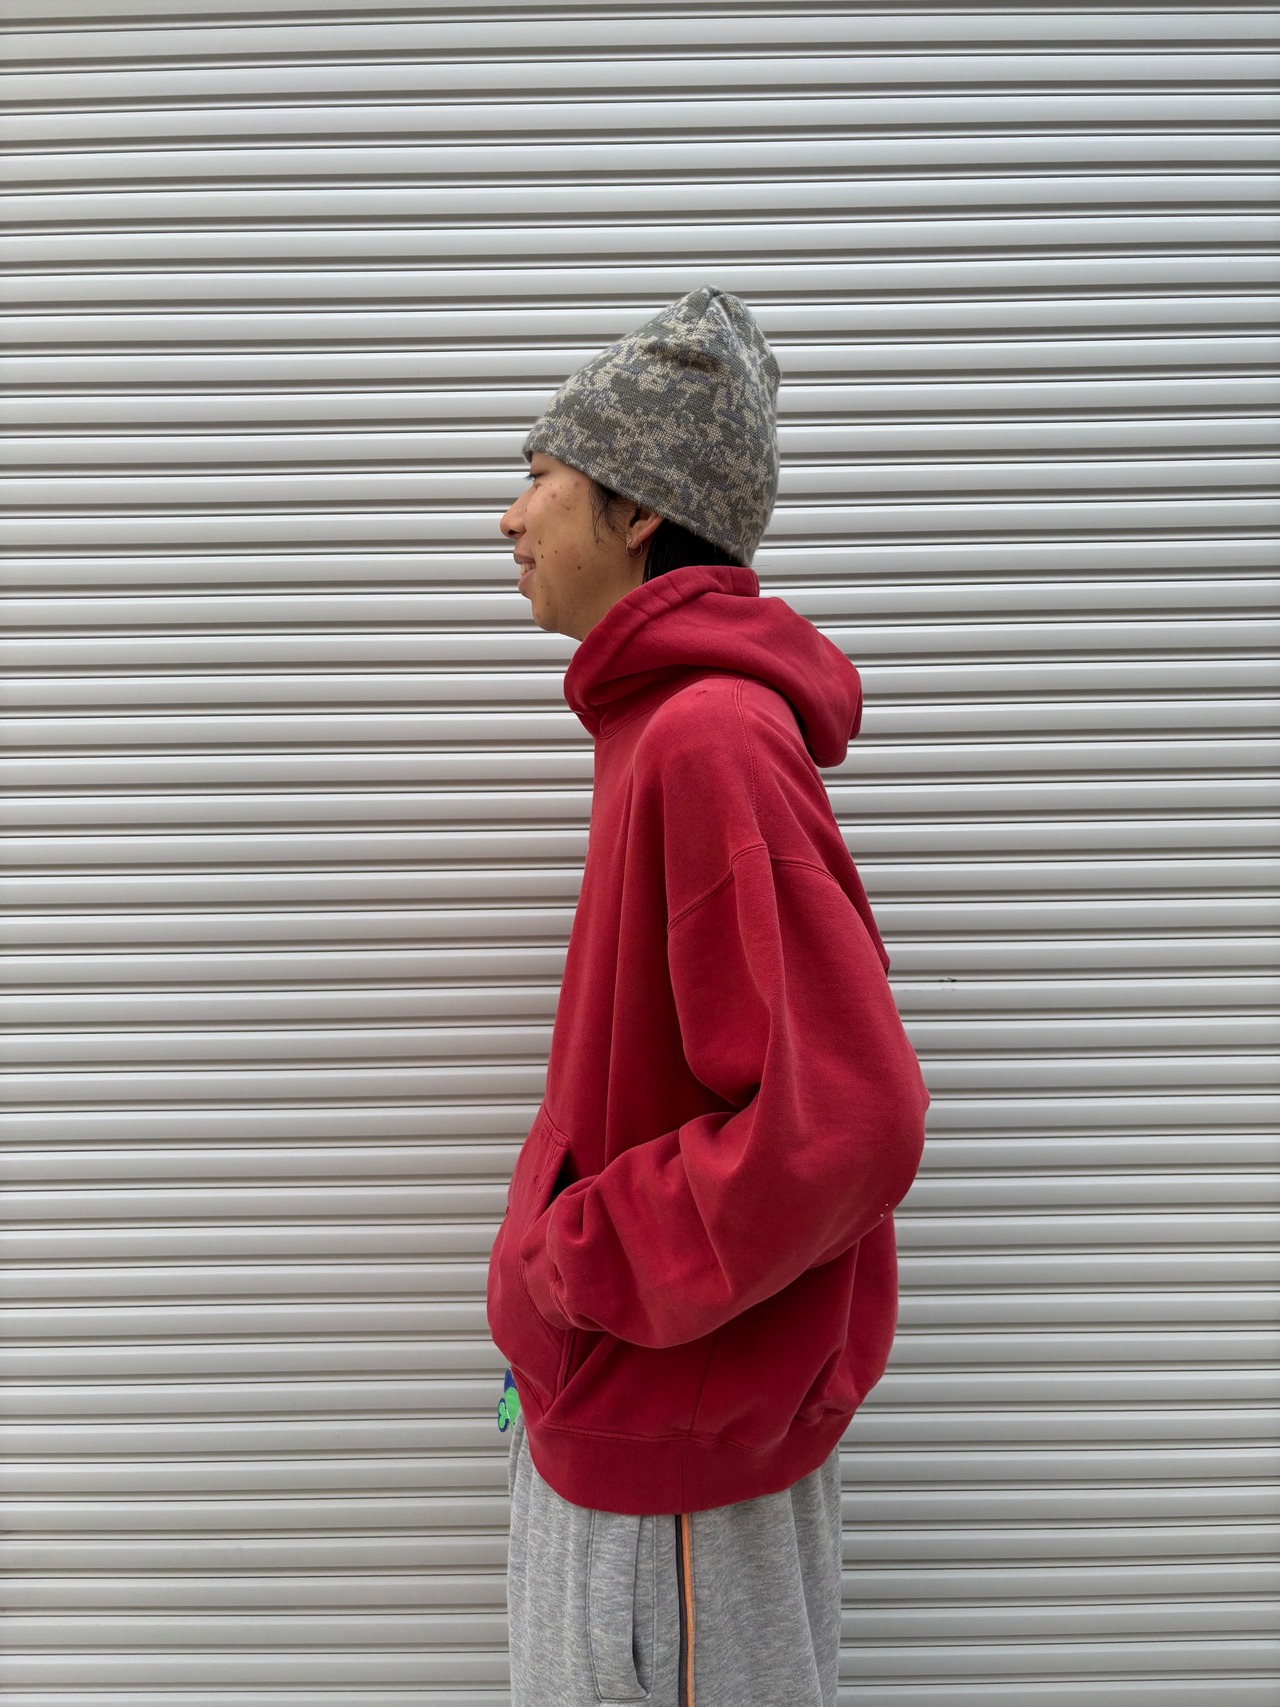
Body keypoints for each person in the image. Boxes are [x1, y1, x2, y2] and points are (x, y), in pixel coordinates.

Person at [487, 287, 931, 1707]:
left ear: (636, 511)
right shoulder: (660, 730)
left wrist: (577, 1261)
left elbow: (845, 1123)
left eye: (541, 474)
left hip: (671, 1471)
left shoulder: (710, 739)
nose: (510, 515)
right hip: (628, 1418)